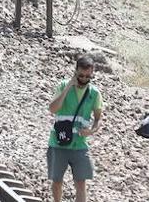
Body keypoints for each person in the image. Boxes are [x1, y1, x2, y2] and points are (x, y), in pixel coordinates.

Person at [48, 55, 104, 202]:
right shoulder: (63, 85)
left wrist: (92, 130)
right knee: (57, 181)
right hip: (59, 142)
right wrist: (68, 88)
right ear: (75, 72)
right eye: (81, 75)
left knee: (81, 182)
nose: (84, 79)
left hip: (80, 144)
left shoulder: (94, 93)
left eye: (88, 76)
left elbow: (98, 118)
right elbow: (53, 109)